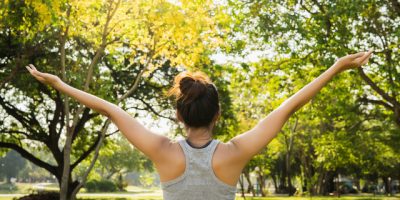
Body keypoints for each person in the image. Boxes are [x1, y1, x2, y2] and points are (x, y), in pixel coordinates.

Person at [26, 50, 372, 200]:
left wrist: (60, 85)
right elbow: (290, 106)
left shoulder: (163, 153)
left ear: (179, 115)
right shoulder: (234, 154)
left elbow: (112, 110)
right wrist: (336, 67)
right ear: (217, 115)